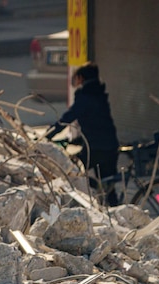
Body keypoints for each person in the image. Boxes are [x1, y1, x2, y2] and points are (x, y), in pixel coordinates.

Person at [46, 62, 121, 206]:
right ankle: (118, 214)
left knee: (72, 170)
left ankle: (80, 203)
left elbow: (66, 120)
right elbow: (98, 123)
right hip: (110, 146)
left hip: (96, 148)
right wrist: (79, 140)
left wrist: (48, 135)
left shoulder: (85, 97)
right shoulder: (99, 93)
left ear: (81, 78)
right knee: (109, 189)